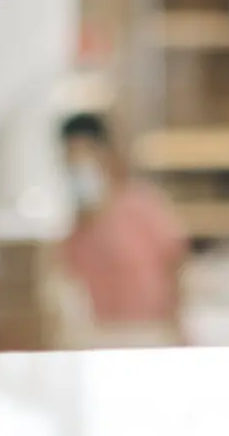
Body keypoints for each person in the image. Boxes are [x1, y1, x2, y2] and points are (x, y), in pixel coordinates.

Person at [58, 112, 188, 347]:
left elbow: (175, 266)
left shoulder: (142, 205)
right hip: (99, 338)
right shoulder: (66, 223)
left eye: (87, 152)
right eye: (71, 155)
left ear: (107, 153)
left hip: (150, 334)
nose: (79, 162)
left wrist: (177, 329)